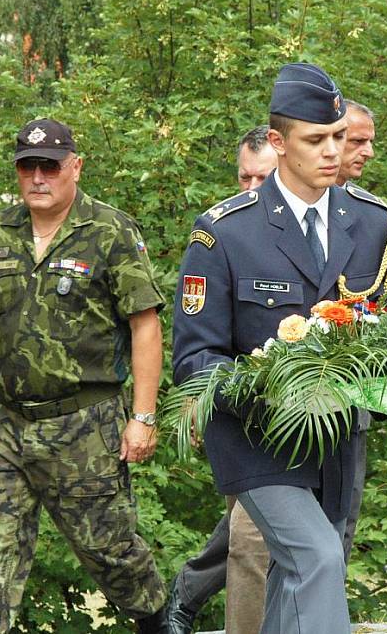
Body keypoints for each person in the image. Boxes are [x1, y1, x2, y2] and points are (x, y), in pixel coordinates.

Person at [173, 63, 387, 634]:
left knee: (300, 577)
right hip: (257, 442)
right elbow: (195, 358)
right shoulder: (225, 231)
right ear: (277, 142)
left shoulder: (373, 224)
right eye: (315, 139)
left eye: (339, 138)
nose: (332, 152)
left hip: (338, 441)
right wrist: (270, 392)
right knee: (317, 557)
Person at [0, 118, 169, 634]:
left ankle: (158, 618)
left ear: (75, 166)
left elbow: (145, 325)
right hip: (4, 423)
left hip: (82, 424)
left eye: (49, 166)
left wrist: (142, 416)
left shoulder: (110, 231)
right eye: (27, 167)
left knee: (109, 550)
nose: (37, 177)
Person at [165, 126, 277, 634]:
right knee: (252, 545)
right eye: (243, 177)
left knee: (310, 552)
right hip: (245, 425)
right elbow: (198, 339)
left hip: (322, 424)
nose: (251, 188)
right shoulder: (219, 234)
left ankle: (187, 589)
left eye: (263, 177)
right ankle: (189, 595)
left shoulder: (330, 225)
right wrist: (196, 402)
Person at [333, 100, 377, 563]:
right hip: (278, 401)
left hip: (350, 401)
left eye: (369, 143)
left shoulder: (376, 221)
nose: (366, 152)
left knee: (342, 522)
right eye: (356, 140)